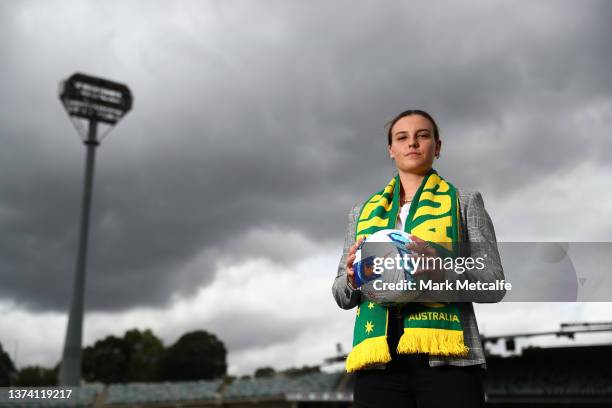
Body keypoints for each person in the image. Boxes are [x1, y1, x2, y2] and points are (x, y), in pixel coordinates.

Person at [332, 109, 505, 407]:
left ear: (437, 147)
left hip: (448, 360)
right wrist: (350, 278)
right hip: (378, 361)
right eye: (402, 137)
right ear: (391, 150)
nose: (412, 143)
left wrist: (442, 271)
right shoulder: (360, 213)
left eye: (422, 135)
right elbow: (341, 295)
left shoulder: (465, 202)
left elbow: (494, 284)